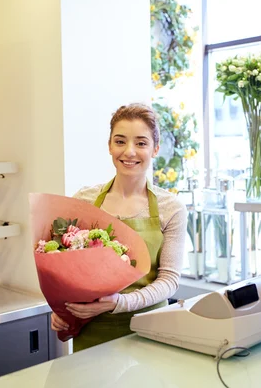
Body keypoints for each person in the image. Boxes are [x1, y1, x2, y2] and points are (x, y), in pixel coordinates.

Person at [50, 103, 188, 352]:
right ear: (110, 146)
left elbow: (169, 280)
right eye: (120, 141)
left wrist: (118, 303)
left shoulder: (171, 208)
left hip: (149, 330)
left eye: (141, 143)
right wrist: (62, 309)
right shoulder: (85, 199)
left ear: (155, 149)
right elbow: (64, 267)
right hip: (93, 329)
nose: (130, 152)